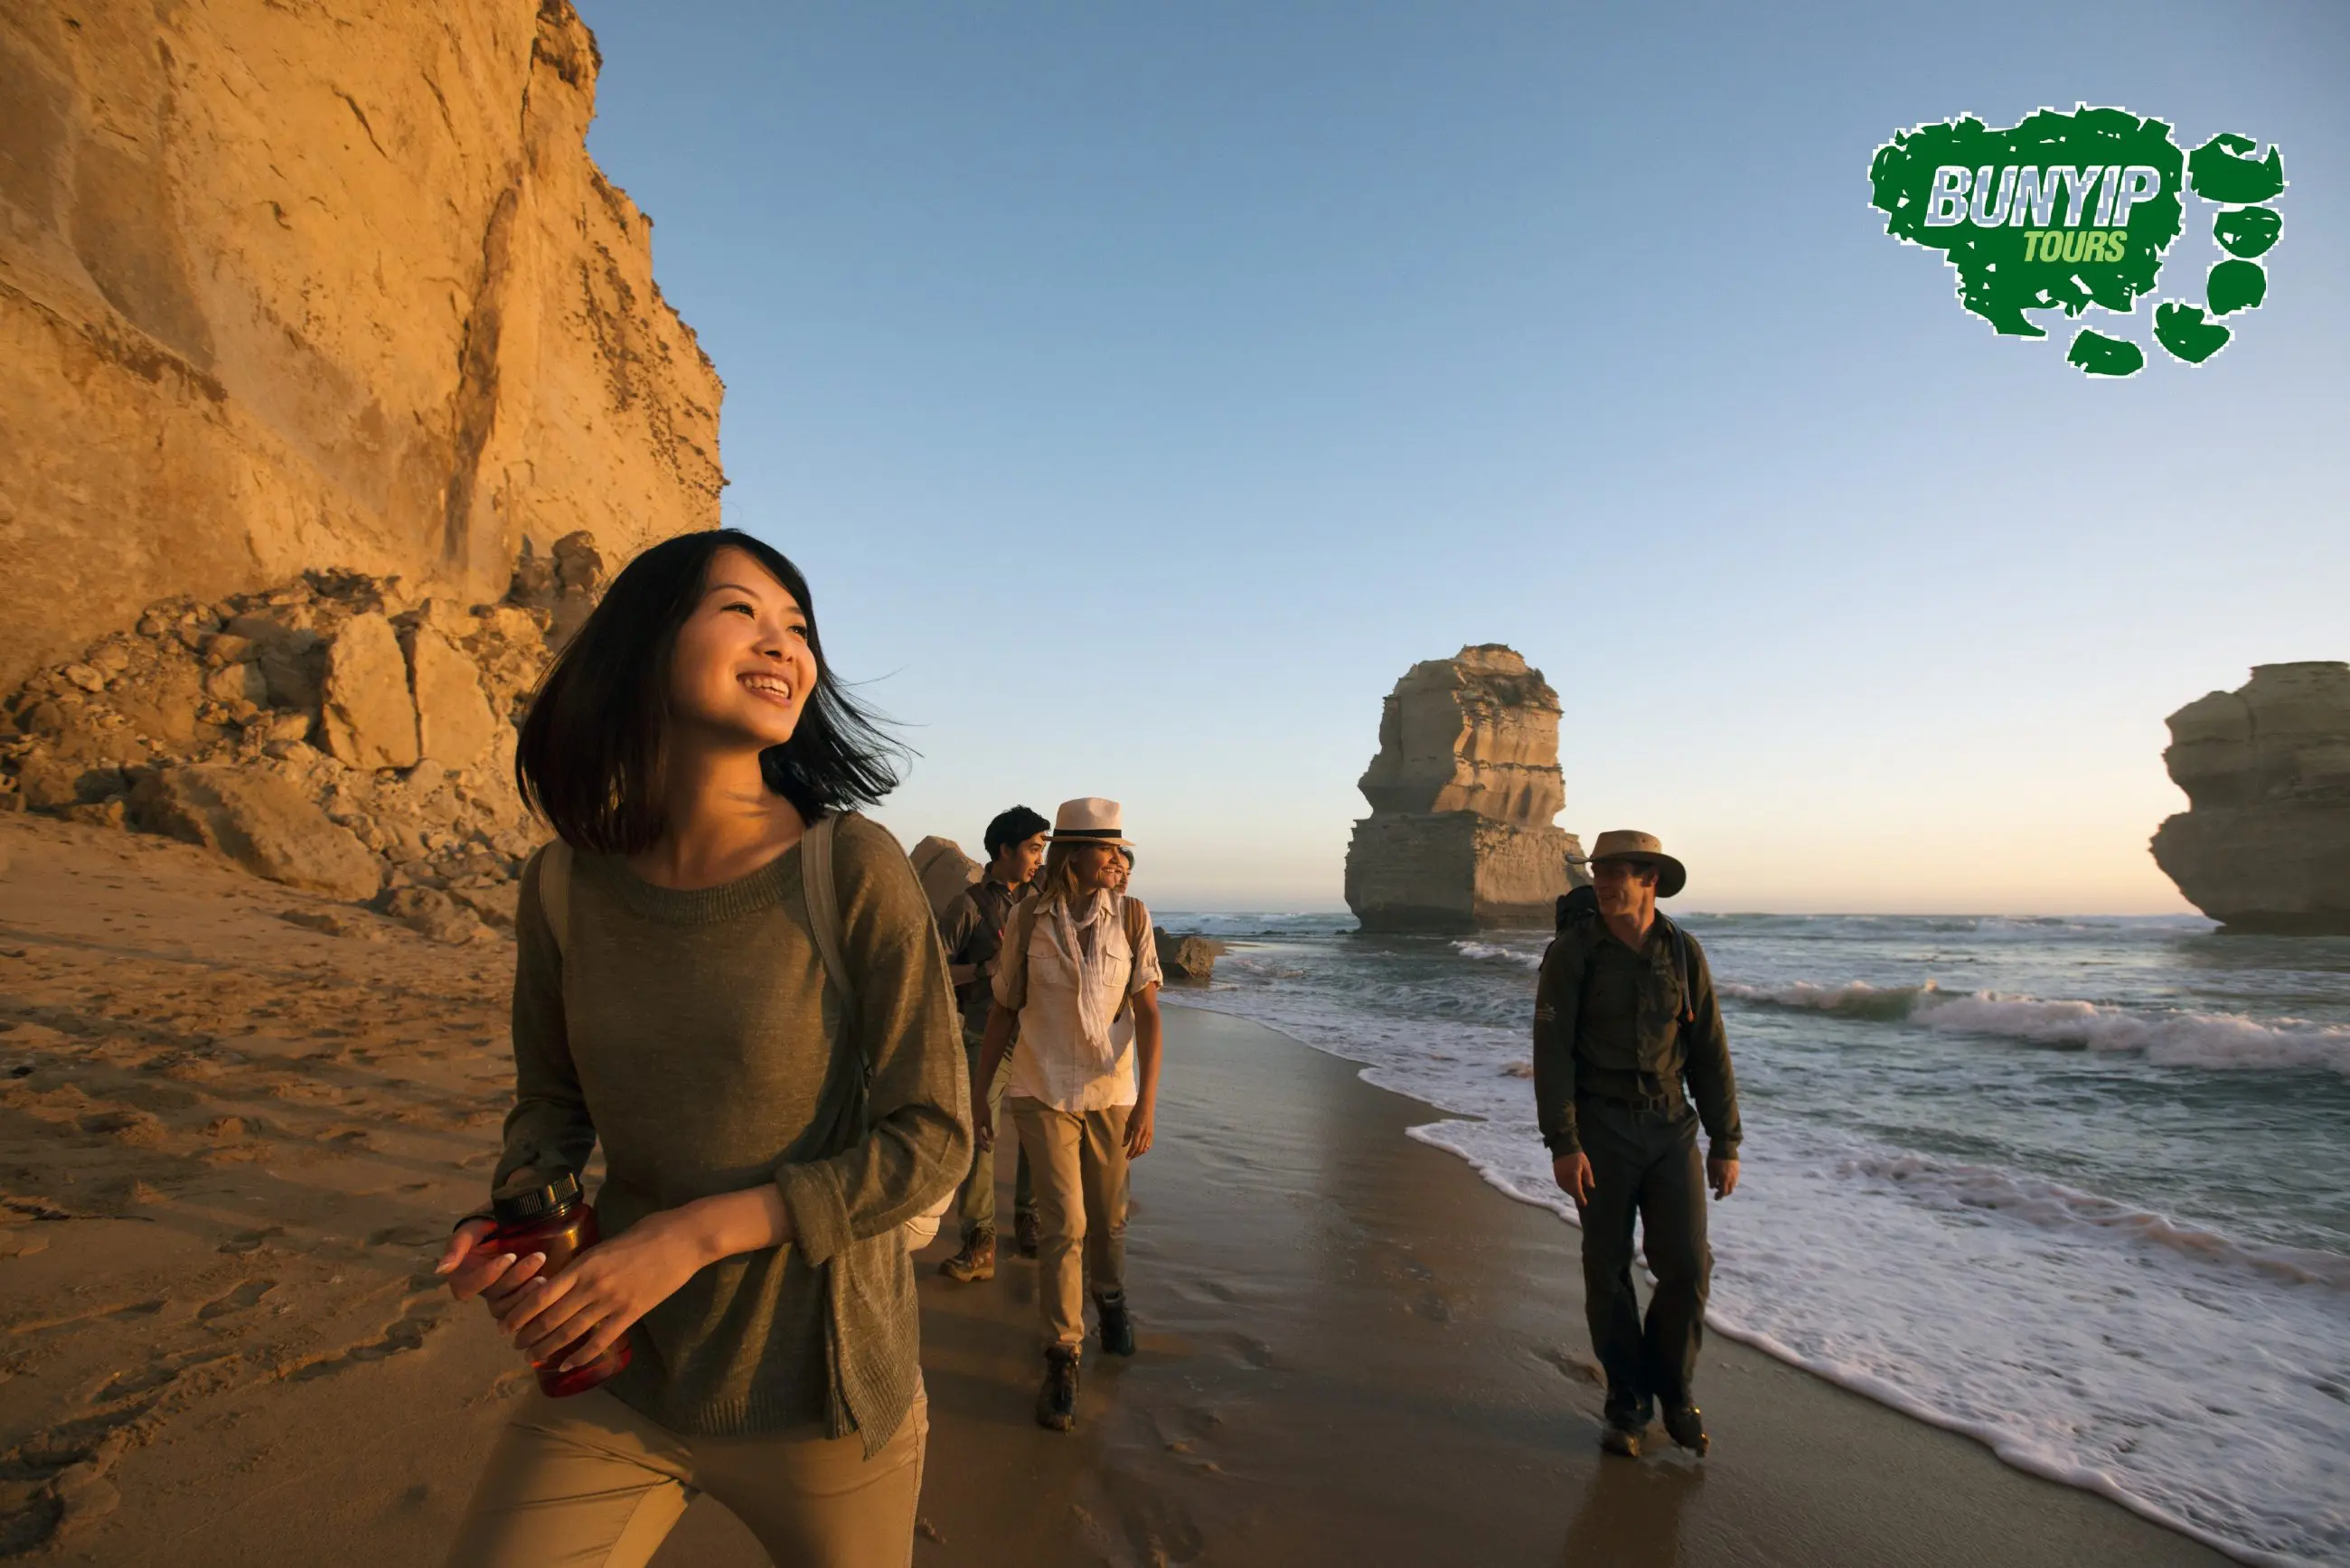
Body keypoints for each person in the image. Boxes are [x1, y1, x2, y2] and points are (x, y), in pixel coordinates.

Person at [433, 530, 970, 1568]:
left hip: (823, 1395)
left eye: (799, 627)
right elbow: (547, 1108)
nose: (784, 645)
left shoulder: (848, 866)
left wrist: (690, 1235)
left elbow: (934, 1139)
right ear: (645, 640)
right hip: (621, 1373)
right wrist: (518, 1219)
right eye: (741, 611)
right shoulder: (561, 887)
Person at [1531, 830, 1741, 1460]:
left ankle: (1673, 1391)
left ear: (1650, 879)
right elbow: (1552, 1055)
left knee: (1687, 1264)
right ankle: (1627, 1401)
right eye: (1600, 869)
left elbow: (1710, 1052)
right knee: (1607, 1266)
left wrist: (1725, 1139)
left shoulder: (1683, 952)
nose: (1604, 880)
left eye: (1619, 870)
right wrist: (1563, 1142)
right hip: (1600, 1128)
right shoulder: (1574, 953)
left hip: (1672, 1125)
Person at [971, 798, 1164, 1432]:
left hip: (1111, 1092)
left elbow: (1149, 1016)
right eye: (1105, 847)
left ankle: (1111, 1297)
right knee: (1066, 1221)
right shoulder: (1028, 918)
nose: (1116, 858)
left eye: (1117, 849)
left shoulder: (1132, 917)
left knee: (1108, 1217)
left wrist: (1149, 1103)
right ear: (1072, 853)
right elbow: (1003, 1010)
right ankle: (1063, 1352)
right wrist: (978, 1095)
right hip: (1041, 1088)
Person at [934, 805, 1049, 1282]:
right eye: (1033, 849)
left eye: (1043, 850)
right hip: (984, 1034)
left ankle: (1030, 1221)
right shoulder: (969, 906)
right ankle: (978, 1240)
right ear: (1005, 850)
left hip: (1039, 1037)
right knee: (982, 1137)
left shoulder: (1045, 902)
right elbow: (933, 969)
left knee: (1037, 1135)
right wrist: (984, 970)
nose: (1039, 859)